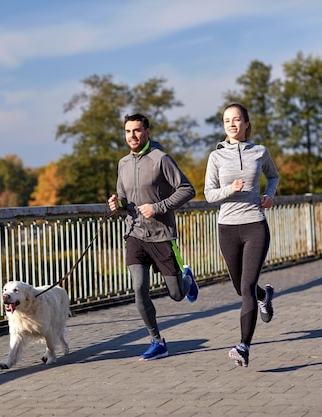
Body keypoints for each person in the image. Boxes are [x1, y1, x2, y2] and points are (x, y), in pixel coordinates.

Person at [107, 113, 199, 361]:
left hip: (161, 234)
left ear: (147, 132)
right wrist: (118, 205)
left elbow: (187, 189)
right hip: (134, 233)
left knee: (177, 294)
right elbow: (125, 200)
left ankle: (187, 279)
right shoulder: (123, 163)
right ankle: (157, 341)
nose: (132, 136)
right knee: (139, 288)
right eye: (128, 131)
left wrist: (157, 207)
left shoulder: (161, 159)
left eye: (137, 131)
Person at [204, 102, 279, 367]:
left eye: (237, 120)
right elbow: (209, 194)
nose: (232, 124)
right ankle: (264, 296)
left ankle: (243, 346)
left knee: (246, 287)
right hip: (227, 228)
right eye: (227, 120)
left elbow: (273, 176)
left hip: (255, 224)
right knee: (240, 288)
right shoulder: (216, 157)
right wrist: (229, 189)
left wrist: (269, 195)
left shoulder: (259, 151)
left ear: (246, 123)